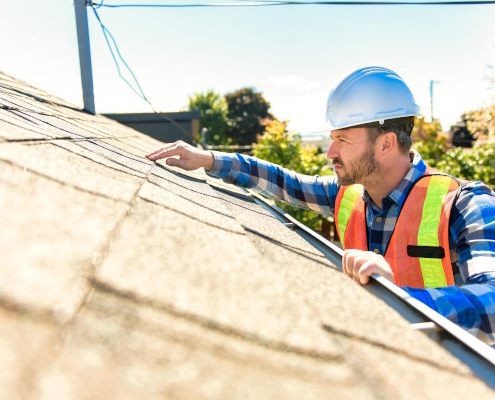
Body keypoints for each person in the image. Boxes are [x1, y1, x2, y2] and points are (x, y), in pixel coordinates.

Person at [146, 66, 495, 342]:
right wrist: (208, 159)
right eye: (332, 139)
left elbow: (493, 301)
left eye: (342, 139)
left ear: (386, 144)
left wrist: (401, 300)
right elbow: (284, 181)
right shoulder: (350, 196)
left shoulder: (466, 205)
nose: (330, 153)